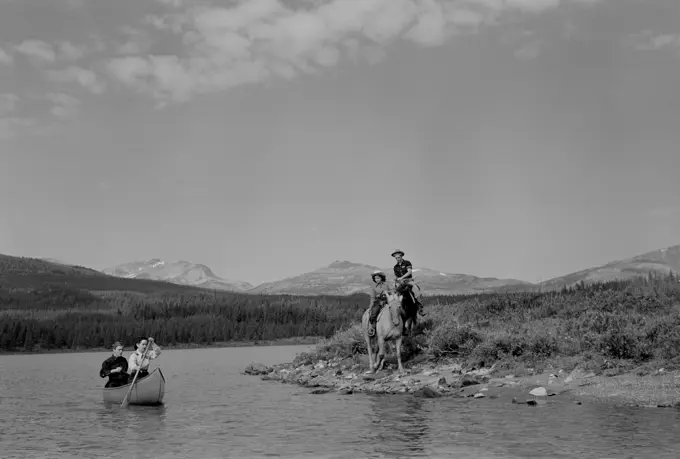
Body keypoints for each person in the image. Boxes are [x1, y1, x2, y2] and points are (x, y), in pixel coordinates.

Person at [391, 249, 425, 316]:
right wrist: (395, 280)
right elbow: (396, 276)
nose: (397, 259)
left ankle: (420, 308)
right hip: (400, 282)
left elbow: (409, 272)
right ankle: (393, 308)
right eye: (396, 258)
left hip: (409, 280)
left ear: (401, 256)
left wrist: (402, 277)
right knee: (394, 292)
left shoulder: (407, 263)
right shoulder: (395, 267)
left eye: (398, 257)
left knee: (416, 290)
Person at [367, 270, 394, 337]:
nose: (377, 280)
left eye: (378, 278)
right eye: (375, 278)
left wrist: (387, 292)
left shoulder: (387, 284)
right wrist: (371, 306)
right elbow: (372, 297)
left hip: (388, 300)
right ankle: (372, 327)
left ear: (381, 278)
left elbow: (392, 291)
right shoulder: (373, 287)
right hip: (378, 302)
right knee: (374, 312)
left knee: (397, 309)